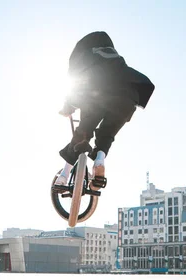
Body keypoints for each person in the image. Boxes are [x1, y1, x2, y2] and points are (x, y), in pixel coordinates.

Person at [55, 31, 155, 190]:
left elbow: (75, 87)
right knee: (108, 132)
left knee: (83, 132)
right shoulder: (115, 61)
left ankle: (63, 176)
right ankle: (99, 160)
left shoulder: (84, 64)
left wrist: (68, 107)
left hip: (97, 96)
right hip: (127, 97)